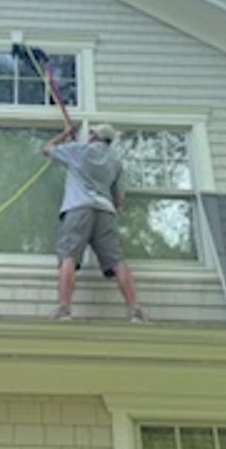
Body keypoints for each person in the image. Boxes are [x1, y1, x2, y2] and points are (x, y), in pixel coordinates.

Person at [42, 123, 148, 322]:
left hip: (77, 209)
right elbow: (119, 200)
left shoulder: (78, 150)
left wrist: (65, 135)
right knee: (117, 261)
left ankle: (64, 310)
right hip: (105, 211)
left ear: (93, 136)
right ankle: (135, 310)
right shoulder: (115, 162)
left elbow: (46, 149)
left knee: (69, 257)